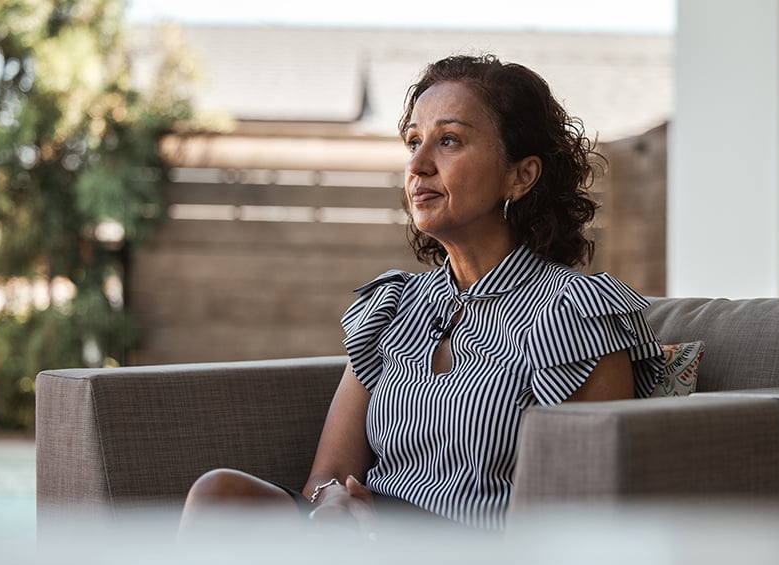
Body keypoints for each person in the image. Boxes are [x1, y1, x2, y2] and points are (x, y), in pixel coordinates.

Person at [180, 54, 663, 534]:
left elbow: (577, 515)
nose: (417, 164)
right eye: (414, 141)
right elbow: (325, 476)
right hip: (363, 539)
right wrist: (332, 502)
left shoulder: (576, 313)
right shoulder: (393, 307)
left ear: (522, 175)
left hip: (472, 561)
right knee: (218, 495)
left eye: (449, 141)